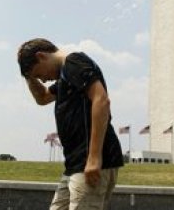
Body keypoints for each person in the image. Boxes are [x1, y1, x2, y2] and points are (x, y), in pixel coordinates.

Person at [18, 38, 124, 210]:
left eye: (39, 74)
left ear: (41, 56)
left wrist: (94, 158)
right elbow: (43, 97)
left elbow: (101, 100)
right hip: (75, 164)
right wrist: (28, 75)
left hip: (89, 161)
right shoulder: (65, 75)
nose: (43, 80)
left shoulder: (74, 62)